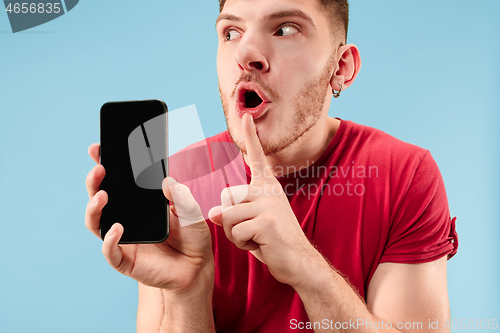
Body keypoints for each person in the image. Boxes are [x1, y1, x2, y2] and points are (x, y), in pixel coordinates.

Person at [85, 0, 458, 332]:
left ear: (340, 67)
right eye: (231, 32)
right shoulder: (178, 182)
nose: (246, 54)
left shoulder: (404, 174)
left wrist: (306, 267)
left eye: (284, 29)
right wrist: (187, 290)